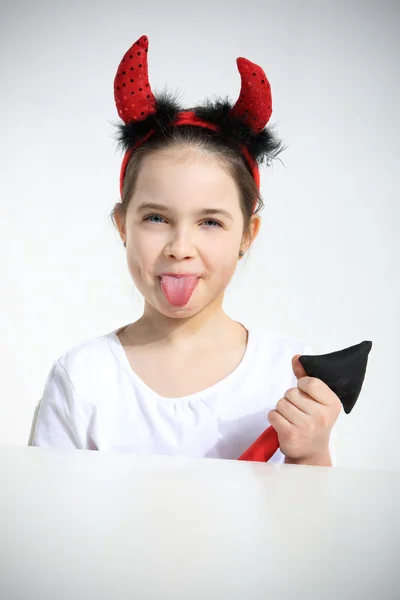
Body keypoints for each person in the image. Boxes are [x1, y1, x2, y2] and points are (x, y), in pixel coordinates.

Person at [30, 35, 341, 466]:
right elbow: (48, 516)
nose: (180, 248)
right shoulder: (82, 378)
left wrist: (312, 454)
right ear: (122, 225)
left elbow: (312, 526)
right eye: (156, 218)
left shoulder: (287, 375)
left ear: (247, 235)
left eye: (210, 222)